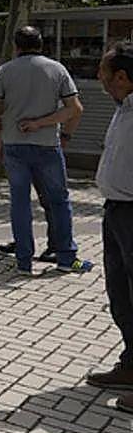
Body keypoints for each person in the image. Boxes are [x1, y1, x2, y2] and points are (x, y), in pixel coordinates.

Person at [0, 25, 88, 274]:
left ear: (16, 46)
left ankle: (23, 261)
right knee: (59, 201)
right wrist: (57, 131)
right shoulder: (57, 69)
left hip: (14, 146)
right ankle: (65, 257)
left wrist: (3, 136)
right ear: (42, 44)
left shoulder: (5, 71)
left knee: (20, 203)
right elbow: (75, 109)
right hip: (47, 145)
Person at [84, 42, 133, 402]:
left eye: (103, 72)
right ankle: (131, 364)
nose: (98, 78)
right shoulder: (123, 108)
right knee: (120, 293)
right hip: (116, 211)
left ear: (122, 76)